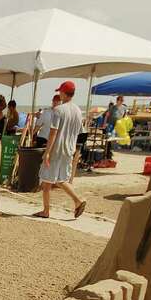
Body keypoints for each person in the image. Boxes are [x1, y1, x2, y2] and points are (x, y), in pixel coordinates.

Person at [33, 80, 86, 220]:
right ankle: (77, 200)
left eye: (60, 91)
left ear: (63, 92)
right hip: (69, 149)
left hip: (57, 149)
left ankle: (46, 211)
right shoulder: (78, 111)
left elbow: (53, 132)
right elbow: (80, 131)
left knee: (46, 180)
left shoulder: (58, 110)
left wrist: (47, 152)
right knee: (61, 179)